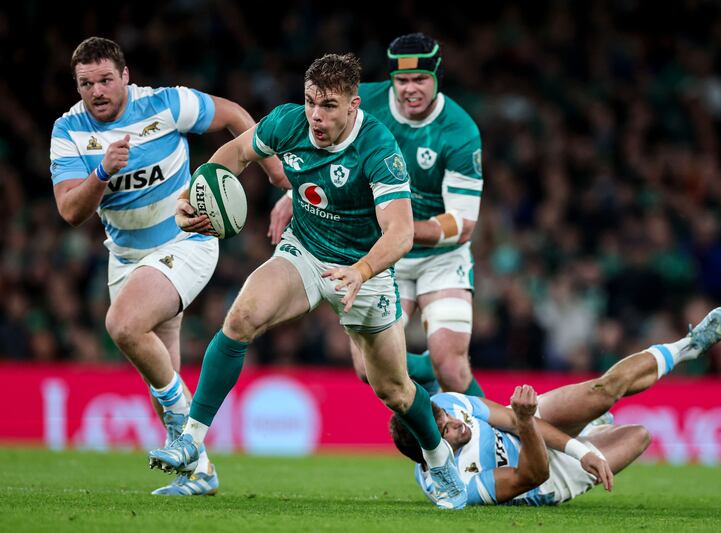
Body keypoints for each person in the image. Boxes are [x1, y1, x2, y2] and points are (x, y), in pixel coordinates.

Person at [147, 53, 469, 509]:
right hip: (304, 251)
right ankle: (191, 440)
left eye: (330, 106)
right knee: (241, 318)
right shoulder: (287, 122)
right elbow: (235, 152)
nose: (317, 115)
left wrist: (361, 271)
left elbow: (399, 233)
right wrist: (194, 194)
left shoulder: (379, 149)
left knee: (393, 389)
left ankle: (439, 462)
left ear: (355, 105)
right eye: (311, 101)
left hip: (364, 271)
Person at [49, 37, 282, 496]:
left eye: (105, 80)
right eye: (85, 84)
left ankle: (183, 435)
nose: (96, 91)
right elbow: (70, 211)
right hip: (126, 258)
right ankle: (200, 472)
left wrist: (271, 169)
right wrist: (101, 173)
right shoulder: (67, 130)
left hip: (187, 239)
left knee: (123, 324)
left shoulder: (166, 104)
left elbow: (234, 114)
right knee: (163, 369)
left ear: (126, 77)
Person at [268, 33, 484, 397]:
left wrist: (400, 229)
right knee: (369, 369)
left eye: (420, 80)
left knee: (452, 367)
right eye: (402, 80)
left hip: (440, 259)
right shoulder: (361, 101)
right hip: (382, 256)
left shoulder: (460, 132)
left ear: (437, 77)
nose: (410, 89)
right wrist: (296, 192)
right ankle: (429, 377)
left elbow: (463, 224)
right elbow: (318, 141)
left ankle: (492, 440)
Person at [389, 305, 721, 506]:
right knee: (639, 435)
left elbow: (513, 420)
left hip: (529, 426)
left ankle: (687, 346)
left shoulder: (446, 404)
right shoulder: (454, 489)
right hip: (546, 479)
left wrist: (575, 448)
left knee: (602, 390)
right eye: (446, 429)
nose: (454, 421)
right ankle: (593, 428)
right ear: (430, 452)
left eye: (446, 415)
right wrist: (555, 441)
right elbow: (531, 474)